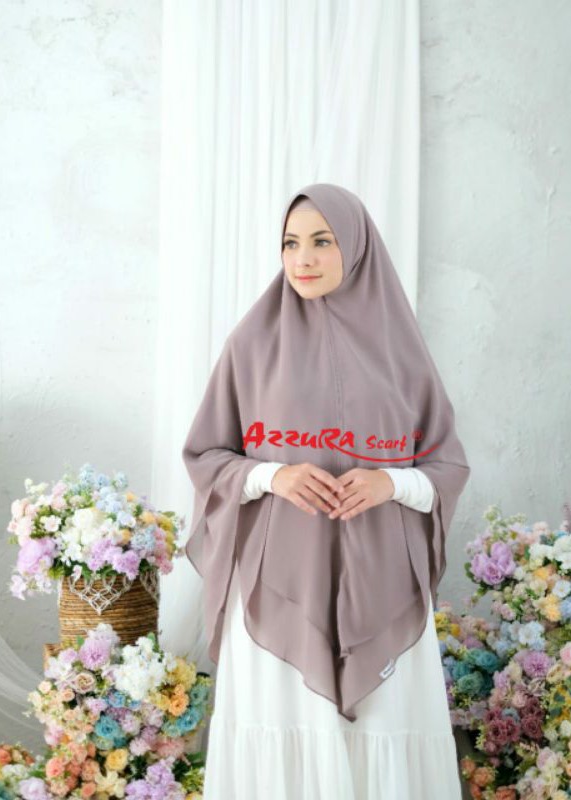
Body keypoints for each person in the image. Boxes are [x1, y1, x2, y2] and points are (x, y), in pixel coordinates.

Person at [182, 183, 471, 799]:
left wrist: (391, 481)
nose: (303, 258)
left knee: (382, 730)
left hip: (382, 581)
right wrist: (272, 475)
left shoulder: (402, 353)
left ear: (357, 247)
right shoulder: (251, 344)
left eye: (322, 241)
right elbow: (206, 453)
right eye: (290, 243)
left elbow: (447, 463)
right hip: (281, 582)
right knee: (287, 727)